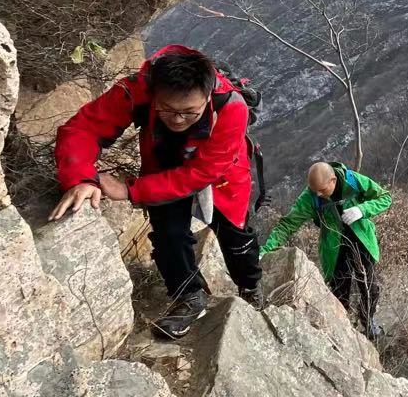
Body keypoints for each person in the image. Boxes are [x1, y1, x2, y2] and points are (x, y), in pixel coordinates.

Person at [52, 45, 263, 338]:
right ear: (155, 94)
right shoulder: (138, 89)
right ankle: (189, 296)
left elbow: (203, 172)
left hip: (222, 168)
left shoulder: (231, 107)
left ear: (207, 97)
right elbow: (83, 129)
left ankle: (250, 283)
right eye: (168, 109)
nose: (177, 120)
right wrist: (81, 178)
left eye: (190, 112)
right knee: (168, 234)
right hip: (164, 158)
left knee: (234, 233)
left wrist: (131, 189)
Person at [261, 160, 391, 339]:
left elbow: (384, 197)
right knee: (339, 293)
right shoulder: (310, 196)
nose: (319, 194)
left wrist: (362, 209)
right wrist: (267, 249)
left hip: (362, 240)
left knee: (370, 287)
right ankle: (344, 332)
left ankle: (368, 321)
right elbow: (288, 224)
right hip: (334, 248)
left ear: (333, 180)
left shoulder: (352, 181)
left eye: (322, 190)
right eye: (315, 191)